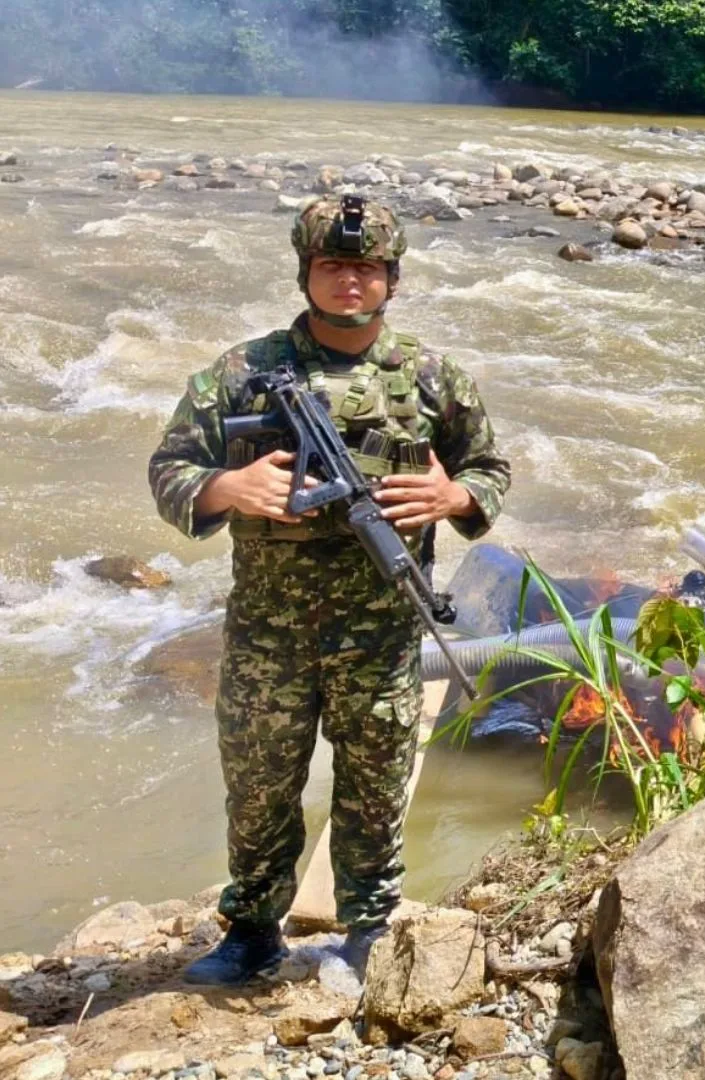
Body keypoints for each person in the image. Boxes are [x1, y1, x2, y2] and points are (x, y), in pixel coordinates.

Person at [149, 195, 512, 983]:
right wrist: (227, 486)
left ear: (392, 279)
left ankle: (367, 929)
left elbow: (490, 469)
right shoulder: (241, 373)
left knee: (375, 785)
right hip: (266, 635)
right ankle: (250, 931)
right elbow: (168, 470)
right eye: (333, 266)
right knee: (257, 786)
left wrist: (456, 499)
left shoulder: (432, 378)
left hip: (381, 632)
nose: (350, 281)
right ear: (307, 273)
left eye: (366, 269)